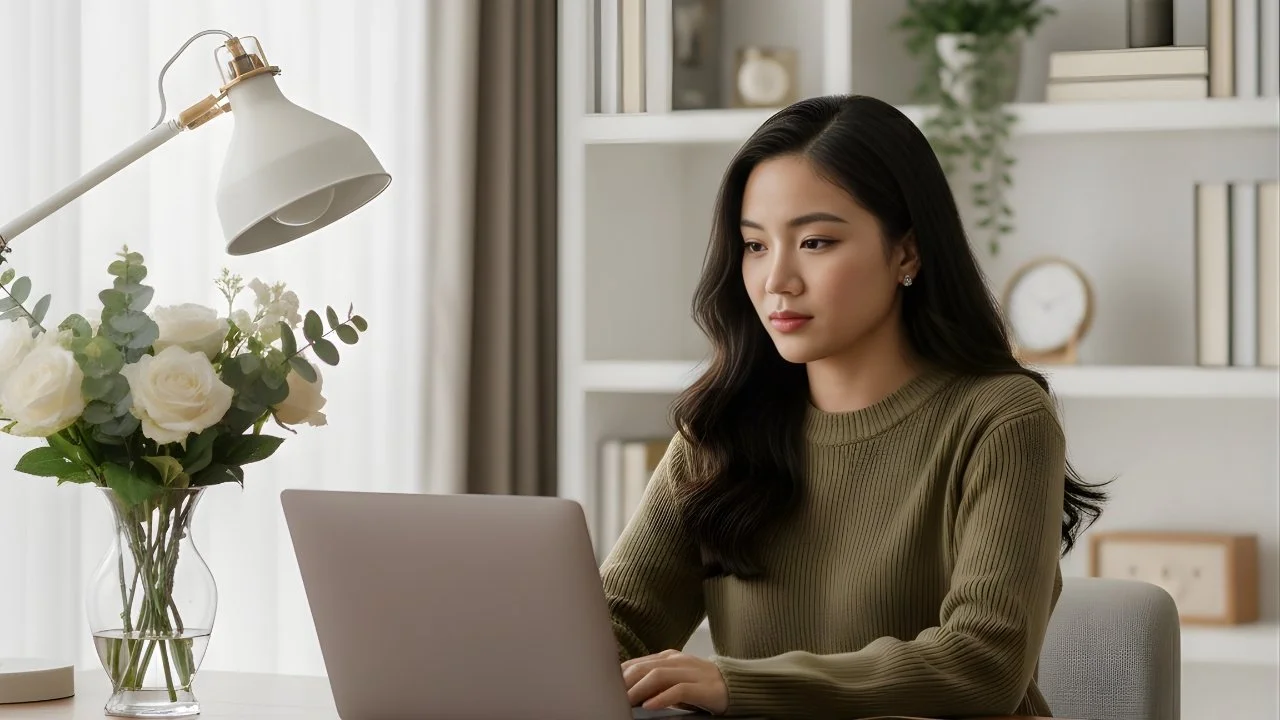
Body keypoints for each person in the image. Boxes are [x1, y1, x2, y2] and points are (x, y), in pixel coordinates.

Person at [599, 94, 1108, 719]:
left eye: (814, 242)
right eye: (755, 246)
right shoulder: (724, 428)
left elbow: (984, 664)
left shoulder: (1001, 418)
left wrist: (738, 685)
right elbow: (615, 624)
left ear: (907, 253)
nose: (776, 280)